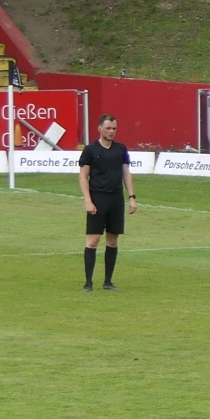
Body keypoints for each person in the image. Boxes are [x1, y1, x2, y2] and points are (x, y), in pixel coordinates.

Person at [78, 113, 136, 291]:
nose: (111, 131)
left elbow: (126, 173)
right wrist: (88, 201)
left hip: (116, 199)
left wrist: (132, 197)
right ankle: (88, 282)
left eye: (114, 128)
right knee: (93, 240)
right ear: (100, 129)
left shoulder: (120, 149)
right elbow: (83, 176)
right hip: (98, 198)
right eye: (108, 128)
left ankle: (108, 281)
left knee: (112, 240)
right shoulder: (90, 150)